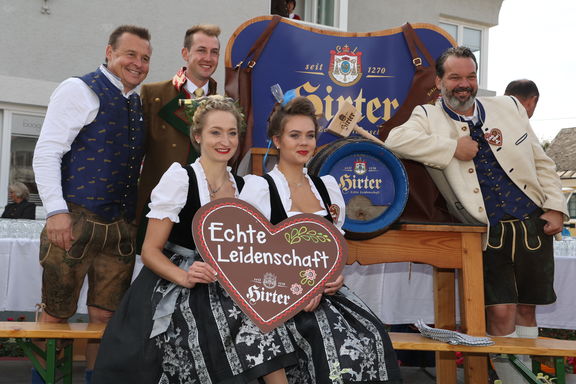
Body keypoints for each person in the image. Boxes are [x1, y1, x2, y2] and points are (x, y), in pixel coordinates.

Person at [384, 46, 567, 383]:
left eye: (470, 77)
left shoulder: (509, 106)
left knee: (528, 307)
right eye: (454, 77)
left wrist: (556, 206)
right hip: (483, 231)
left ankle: (529, 378)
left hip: (530, 221)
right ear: (439, 81)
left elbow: (542, 161)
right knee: (499, 312)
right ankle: (516, 382)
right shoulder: (427, 116)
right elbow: (396, 140)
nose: (463, 84)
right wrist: (452, 147)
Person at [93, 95, 296, 384]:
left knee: (264, 323)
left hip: (231, 281)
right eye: (215, 132)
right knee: (218, 329)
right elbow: (150, 251)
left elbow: (262, 250)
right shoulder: (180, 179)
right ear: (198, 136)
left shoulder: (248, 188)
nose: (224, 140)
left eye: (232, 133)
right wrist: (185, 275)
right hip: (177, 281)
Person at [240, 97, 402, 383]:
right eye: (294, 135)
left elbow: (335, 247)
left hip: (324, 295)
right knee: (336, 351)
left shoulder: (326, 187)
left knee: (372, 336)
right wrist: (296, 290)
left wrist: (336, 275)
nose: (304, 142)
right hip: (275, 298)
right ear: (277, 140)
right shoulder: (259, 189)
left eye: (310, 135)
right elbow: (247, 259)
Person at [32, 25, 152, 383]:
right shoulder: (78, 89)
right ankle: (47, 381)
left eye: (145, 58)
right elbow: (47, 152)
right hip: (75, 221)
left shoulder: (137, 103)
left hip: (119, 229)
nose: (138, 63)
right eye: (130, 54)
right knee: (56, 312)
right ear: (109, 52)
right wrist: (56, 211)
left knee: (106, 318)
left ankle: (96, 380)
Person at [135, 24, 220, 249]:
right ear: (185, 53)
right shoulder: (154, 95)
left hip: (204, 213)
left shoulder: (227, 103)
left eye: (214, 52)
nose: (208, 58)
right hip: (157, 209)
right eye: (201, 50)